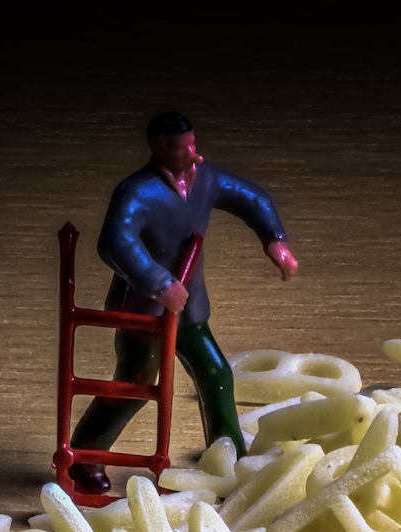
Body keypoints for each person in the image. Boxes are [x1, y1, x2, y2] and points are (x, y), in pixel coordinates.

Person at [68, 112, 297, 494]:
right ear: (157, 148)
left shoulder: (206, 179)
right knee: (136, 385)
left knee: (216, 373)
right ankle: (83, 456)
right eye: (180, 148)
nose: (190, 153)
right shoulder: (137, 191)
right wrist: (158, 282)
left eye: (192, 144)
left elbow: (250, 196)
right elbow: (115, 242)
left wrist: (274, 239)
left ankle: (230, 458)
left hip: (189, 306)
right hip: (143, 310)